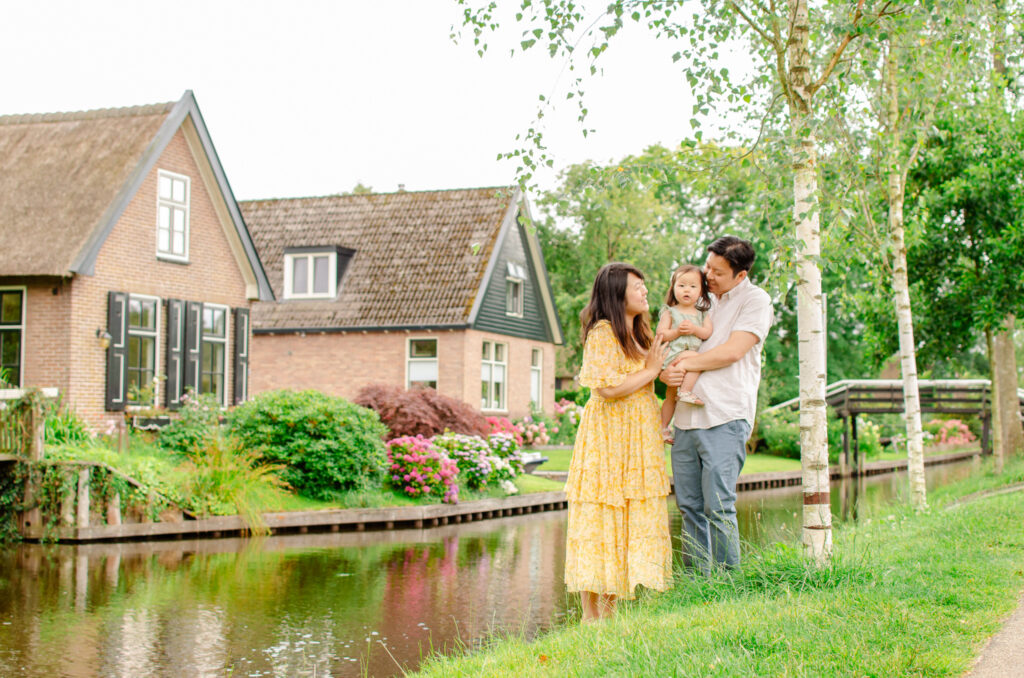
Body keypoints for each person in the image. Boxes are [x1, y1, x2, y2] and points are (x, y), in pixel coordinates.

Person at [564, 262, 672, 622]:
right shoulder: (603, 333)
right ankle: (591, 618)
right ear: (616, 293)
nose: (644, 291)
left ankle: (608, 615)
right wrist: (651, 372)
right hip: (608, 440)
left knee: (625, 520)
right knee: (601, 519)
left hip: (637, 440)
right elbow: (607, 389)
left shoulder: (640, 335)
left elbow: (647, 384)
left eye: (645, 285)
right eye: (637, 286)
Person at [661, 236, 773, 573]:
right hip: (684, 419)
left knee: (719, 506)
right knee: (689, 506)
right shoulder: (700, 299)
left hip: (724, 415)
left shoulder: (756, 300)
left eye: (718, 272)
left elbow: (732, 351)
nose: (708, 275)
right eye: (707, 266)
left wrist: (686, 363)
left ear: (740, 275)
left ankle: (728, 583)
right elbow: (671, 342)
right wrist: (668, 372)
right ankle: (698, 582)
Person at [656, 264, 713, 442]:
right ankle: (686, 392)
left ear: (701, 291)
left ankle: (663, 429)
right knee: (699, 360)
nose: (686, 290)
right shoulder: (670, 312)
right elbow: (661, 334)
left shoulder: (702, 314)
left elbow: (707, 333)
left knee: (670, 397)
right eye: (681, 286)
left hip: (688, 359)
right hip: (674, 356)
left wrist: (694, 329)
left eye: (693, 286)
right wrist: (677, 332)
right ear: (673, 289)